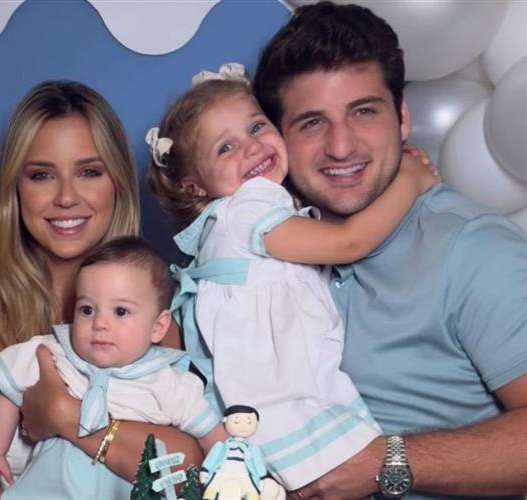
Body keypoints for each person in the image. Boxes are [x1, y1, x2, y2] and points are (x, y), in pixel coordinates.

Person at [252, 2, 527, 499]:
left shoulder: (473, 249)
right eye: (312, 123)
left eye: (363, 112)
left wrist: (388, 461)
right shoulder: (260, 249)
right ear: (279, 140)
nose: (341, 147)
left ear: (401, 118)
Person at [0, 81, 202, 500]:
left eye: (89, 171)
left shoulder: (154, 318)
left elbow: (187, 469)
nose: (66, 197)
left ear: (118, 183)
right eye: (41, 175)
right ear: (15, 188)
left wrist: (62, 414)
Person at [145, 65, 437, 489]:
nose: (251, 147)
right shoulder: (247, 208)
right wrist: (410, 179)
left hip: (262, 407)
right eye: (226, 148)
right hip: (284, 403)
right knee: (363, 474)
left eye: (256, 127)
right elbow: (349, 243)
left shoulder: (241, 217)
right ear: (195, 186)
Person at [0, 237, 224, 499]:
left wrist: (230, 477)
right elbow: (9, 393)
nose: (100, 323)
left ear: (158, 326)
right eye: (87, 310)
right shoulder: (53, 354)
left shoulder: (170, 383)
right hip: (49, 490)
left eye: (120, 311)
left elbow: (213, 438)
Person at [200, 405, 286, 500]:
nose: (243, 426)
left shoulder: (253, 450)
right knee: (212, 490)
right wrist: (205, 471)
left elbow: (258, 464)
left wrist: (262, 478)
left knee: (250, 493)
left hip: (244, 475)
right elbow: (211, 459)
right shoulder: (220, 446)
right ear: (225, 420)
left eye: (249, 422)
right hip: (222, 473)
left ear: (257, 423)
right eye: (236, 422)